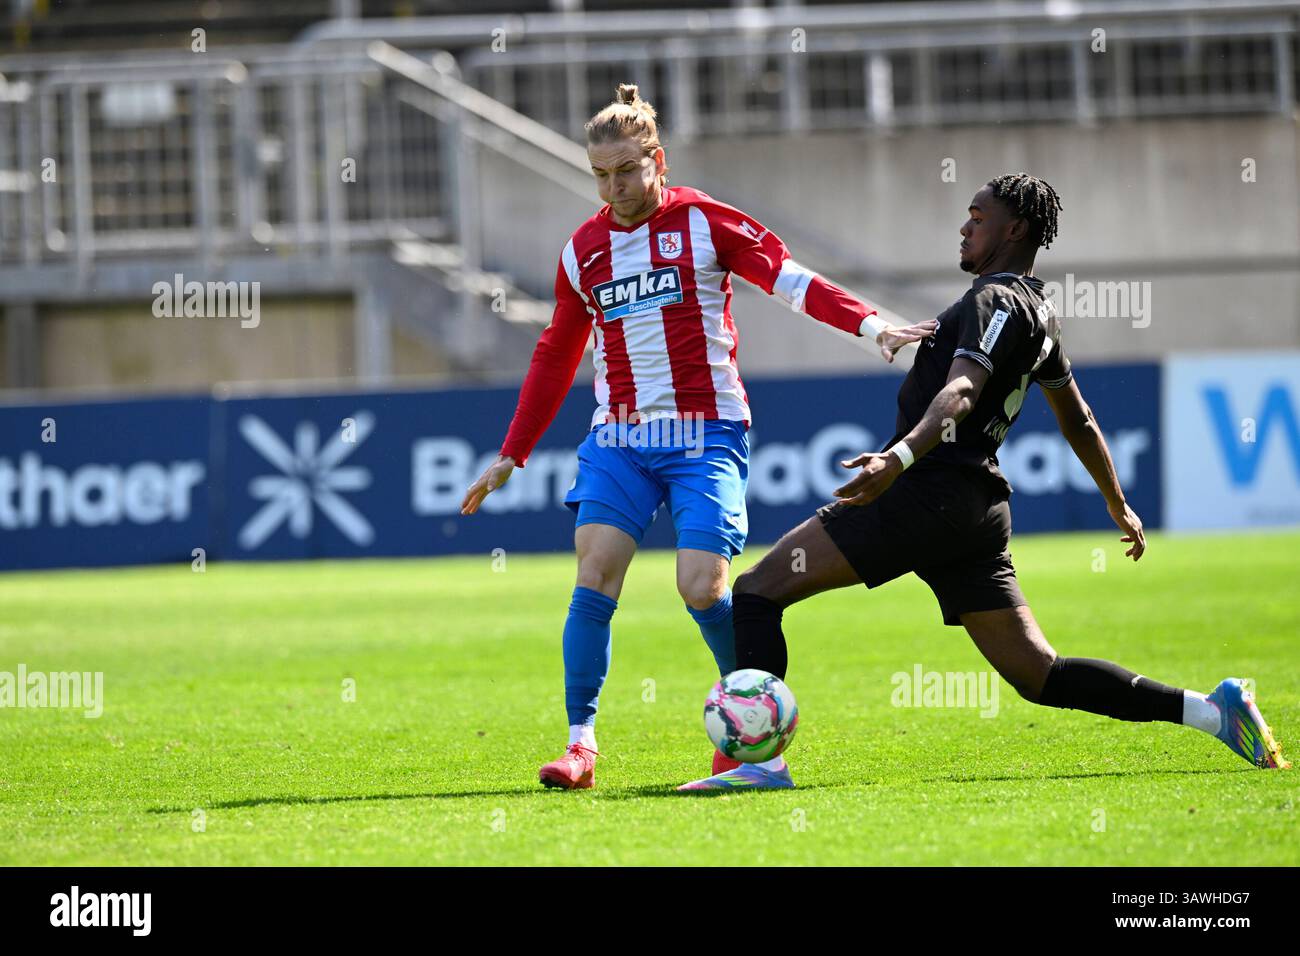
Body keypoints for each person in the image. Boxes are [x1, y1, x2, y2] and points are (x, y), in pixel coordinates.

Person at [678, 172, 1289, 791]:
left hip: (925, 491)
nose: (965, 227)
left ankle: (760, 765)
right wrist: (1117, 501)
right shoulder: (1040, 315)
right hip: (971, 511)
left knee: (756, 592)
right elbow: (1077, 416)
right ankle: (1213, 712)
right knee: (1038, 674)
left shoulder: (992, 300)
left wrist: (901, 458)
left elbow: (963, 391)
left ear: (1014, 228)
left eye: (977, 216)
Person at [460, 83, 936, 790]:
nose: (613, 188)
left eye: (626, 170)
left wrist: (872, 326)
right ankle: (580, 747)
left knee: (701, 587)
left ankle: (751, 737)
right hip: (619, 437)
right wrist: (513, 451)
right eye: (600, 175)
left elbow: (787, 277)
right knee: (593, 573)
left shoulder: (705, 222)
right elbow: (556, 353)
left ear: (658, 159)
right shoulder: (583, 251)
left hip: (706, 432)